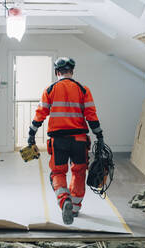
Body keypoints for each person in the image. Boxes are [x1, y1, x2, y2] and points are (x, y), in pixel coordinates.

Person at [27, 57, 104, 225]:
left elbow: (40, 114)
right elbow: (91, 115)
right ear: (72, 71)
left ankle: (64, 201)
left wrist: (31, 133)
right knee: (78, 172)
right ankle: (75, 208)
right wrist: (99, 135)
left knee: (58, 172)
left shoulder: (50, 89)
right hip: (79, 139)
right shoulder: (83, 90)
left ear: (57, 72)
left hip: (58, 140)